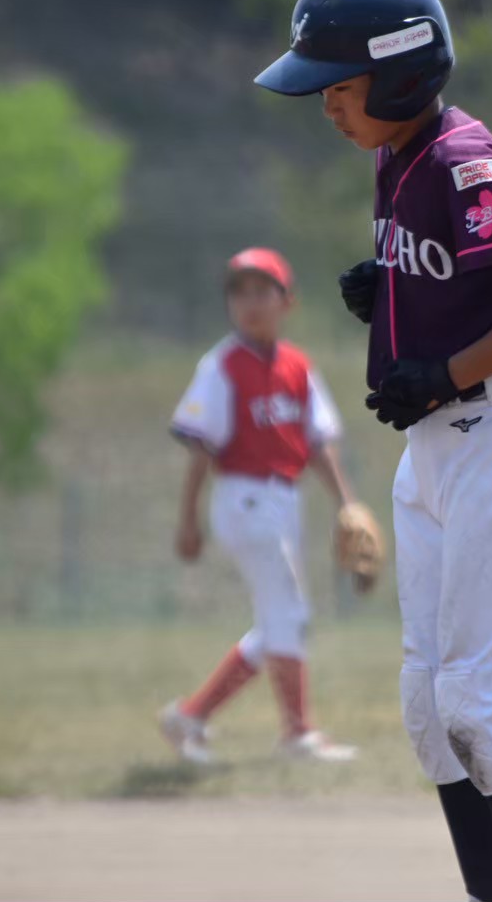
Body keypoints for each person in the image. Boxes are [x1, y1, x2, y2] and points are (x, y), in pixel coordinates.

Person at [254, 0, 492, 902]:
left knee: (480, 700)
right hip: (439, 452)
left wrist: (445, 370)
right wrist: (395, 285)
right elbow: (467, 276)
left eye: (340, 84)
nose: (327, 104)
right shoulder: (397, 155)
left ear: (401, 75)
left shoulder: (460, 160)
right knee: (429, 708)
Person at [160, 247, 360, 763]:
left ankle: (191, 715)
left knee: (279, 621)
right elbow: (201, 448)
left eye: (262, 292)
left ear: (286, 301)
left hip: (284, 499)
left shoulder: (298, 366)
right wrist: (188, 520)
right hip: (244, 495)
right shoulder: (221, 366)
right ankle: (296, 734)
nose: (250, 303)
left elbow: (318, 443)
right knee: (288, 614)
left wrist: (347, 504)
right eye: (239, 292)